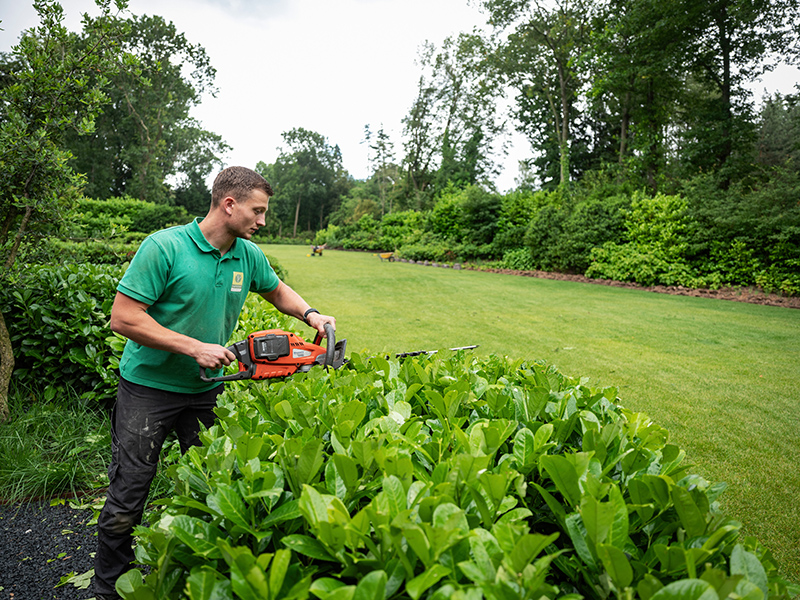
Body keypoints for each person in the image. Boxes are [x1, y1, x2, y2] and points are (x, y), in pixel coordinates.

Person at [93, 166, 335, 599]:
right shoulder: (164, 247)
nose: (262, 220)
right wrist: (194, 347)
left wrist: (311, 314)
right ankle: (108, 586)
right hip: (148, 388)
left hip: (207, 389)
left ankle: (195, 578)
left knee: (213, 485)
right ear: (229, 204)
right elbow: (124, 318)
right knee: (129, 489)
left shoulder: (248, 255)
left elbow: (276, 290)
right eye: (257, 211)